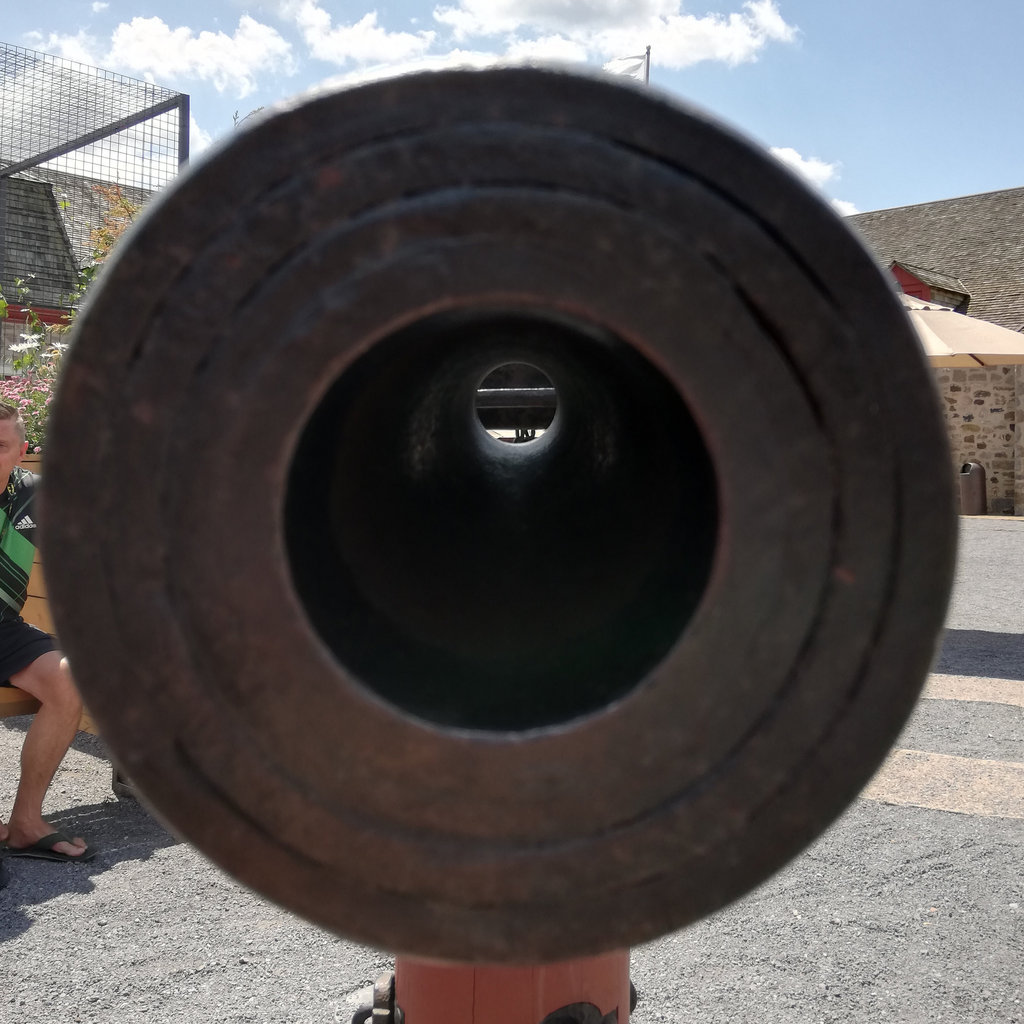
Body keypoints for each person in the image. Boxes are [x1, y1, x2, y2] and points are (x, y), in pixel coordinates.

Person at [0, 403, 93, 863]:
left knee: (69, 678)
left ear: (21, 452)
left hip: (4, 628)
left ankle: (26, 822)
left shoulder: (33, 493)